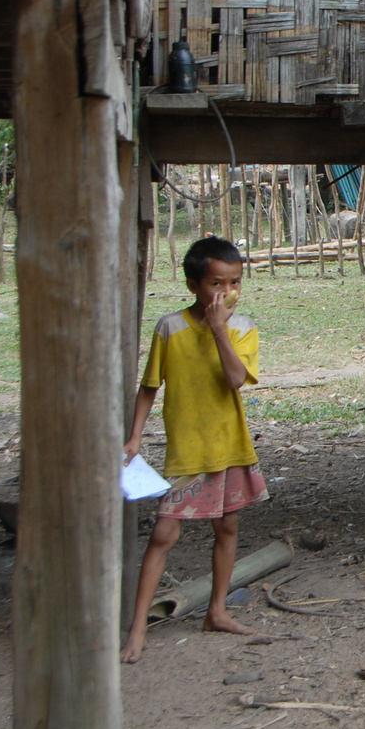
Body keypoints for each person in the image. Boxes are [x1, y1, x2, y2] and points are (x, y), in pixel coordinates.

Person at [122, 235, 264, 663]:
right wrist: (134, 438)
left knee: (227, 529)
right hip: (187, 450)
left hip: (231, 446)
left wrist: (219, 329)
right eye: (217, 283)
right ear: (192, 285)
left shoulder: (243, 329)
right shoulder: (170, 328)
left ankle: (216, 611)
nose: (226, 293)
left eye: (235, 282)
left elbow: (236, 379)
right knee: (164, 534)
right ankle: (137, 627)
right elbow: (149, 388)